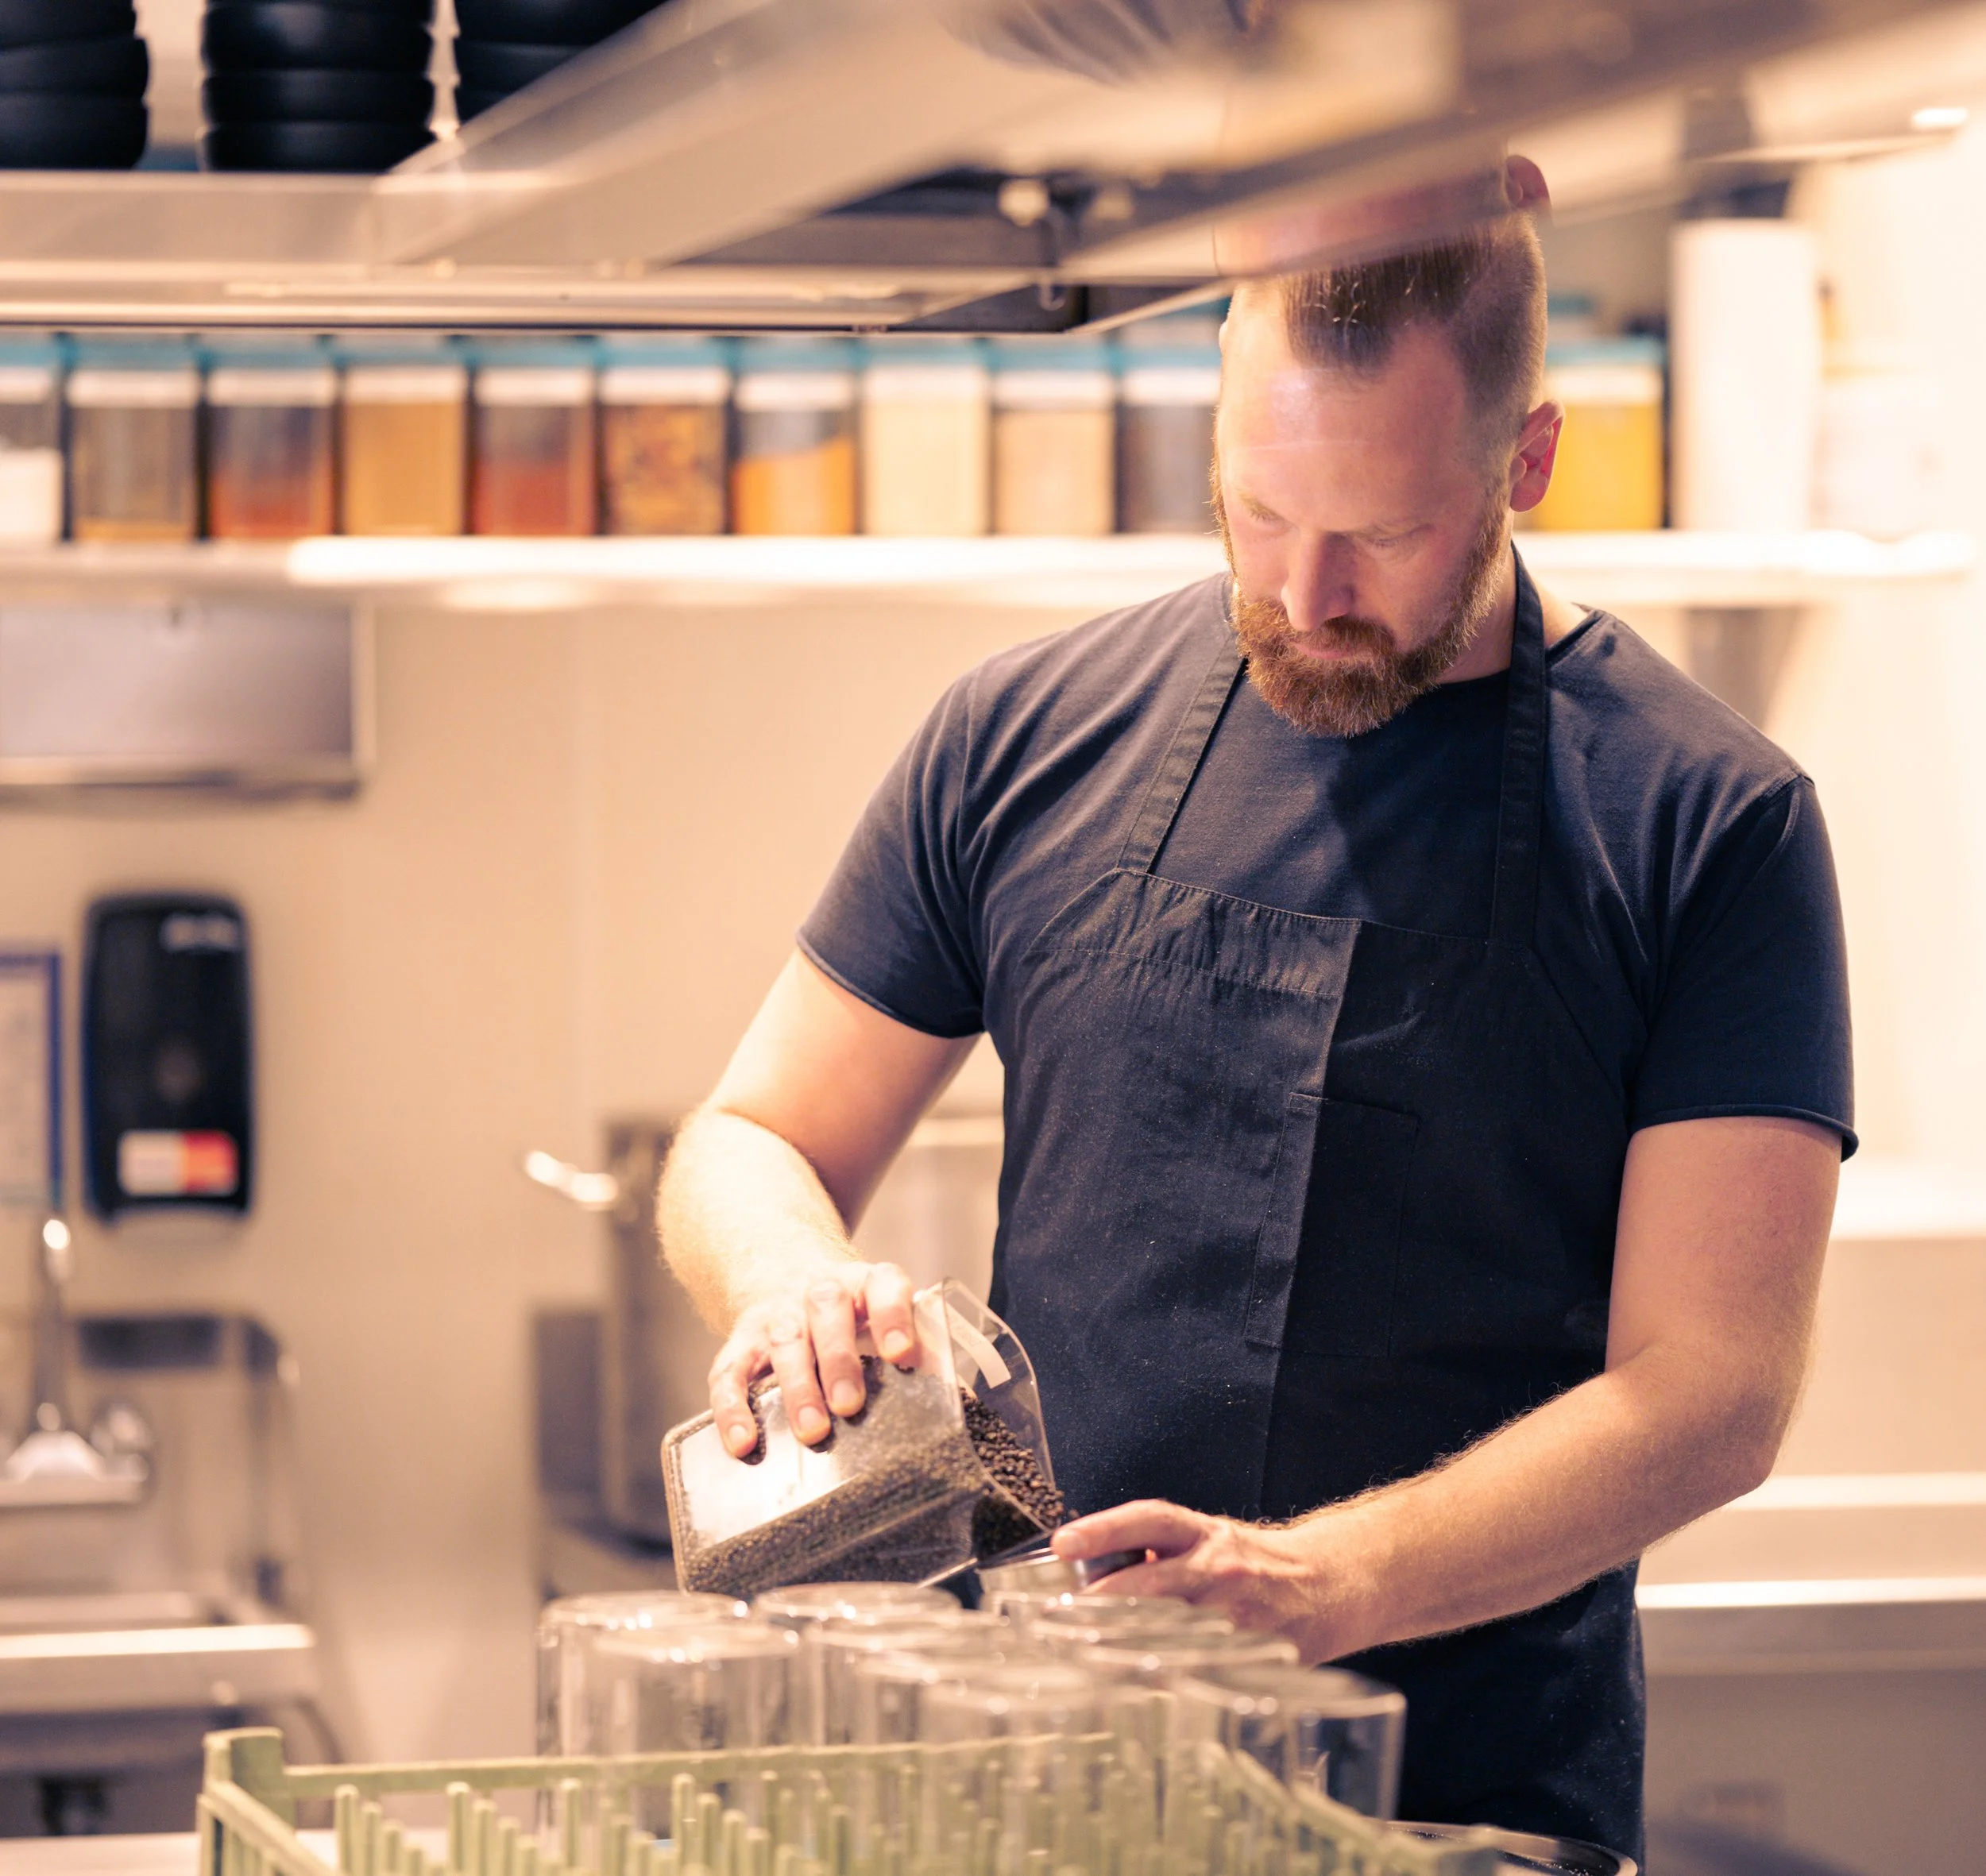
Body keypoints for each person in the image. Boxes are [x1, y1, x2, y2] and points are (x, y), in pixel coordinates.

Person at [657, 167, 1853, 1860]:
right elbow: (750, 1134)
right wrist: (786, 1279)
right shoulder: (1018, 734)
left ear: (1523, 463)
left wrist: (1320, 1581)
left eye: (1375, 531)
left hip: (1465, 1816)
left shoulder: (1703, 824)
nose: (1303, 591)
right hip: (1042, 1799)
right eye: (1255, 512)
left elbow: (1712, 1388)